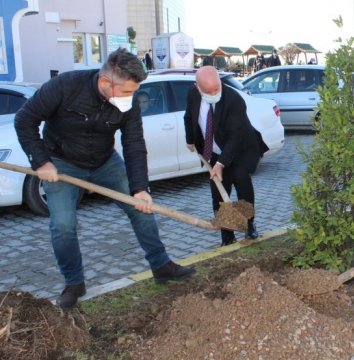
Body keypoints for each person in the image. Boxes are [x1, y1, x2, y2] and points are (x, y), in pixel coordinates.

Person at [14, 48, 196, 311]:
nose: (130, 98)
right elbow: (25, 120)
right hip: (63, 163)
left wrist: (140, 188)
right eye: (125, 92)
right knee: (63, 225)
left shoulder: (128, 102)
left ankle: (161, 266)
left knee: (142, 209)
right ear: (104, 82)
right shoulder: (64, 87)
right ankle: (74, 283)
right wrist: (41, 162)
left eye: (133, 92)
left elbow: (133, 142)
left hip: (105, 162)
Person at [183, 66, 261, 246]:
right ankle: (227, 235)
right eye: (207, 91)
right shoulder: (192, 94)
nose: (213, 93)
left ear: (220, 82)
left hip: (241, 149)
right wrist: (190, 140)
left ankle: (249, 224)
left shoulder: (234, 100)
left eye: (216, 89)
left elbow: (235, 137)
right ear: (197, 87)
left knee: (241, 180)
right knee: (218, 190)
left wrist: (221, 164)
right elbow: (188, 117)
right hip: (215, 150)